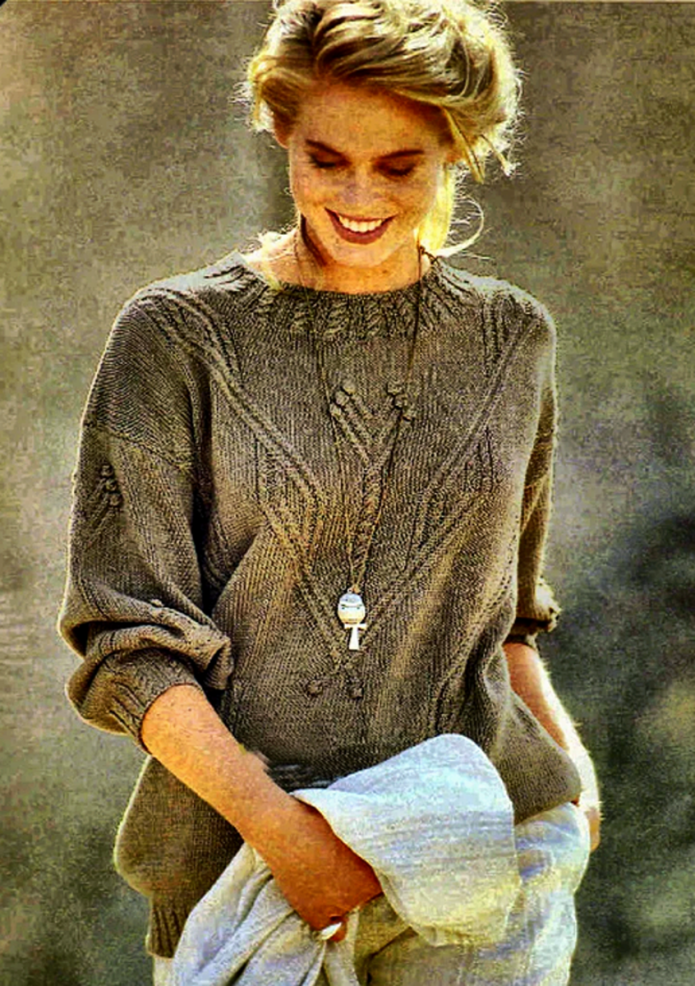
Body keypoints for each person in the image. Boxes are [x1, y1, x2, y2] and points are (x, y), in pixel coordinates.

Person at [59, 1, 600, 983]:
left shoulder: (511, 339)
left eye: (398, 165)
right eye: (325, 158)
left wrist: (571, 770)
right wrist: (287, 837)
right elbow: (127, 642)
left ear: (455, 148)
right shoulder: (175, 336)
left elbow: (507, 618)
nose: (358, 195)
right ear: (279, 130)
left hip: (483, 853)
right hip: (246, 866)